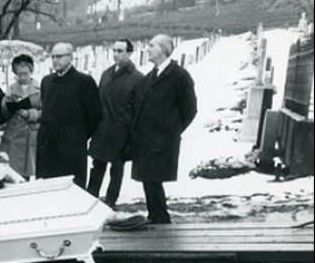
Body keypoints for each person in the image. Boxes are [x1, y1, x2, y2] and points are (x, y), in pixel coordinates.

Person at [130, 34, 197, 224]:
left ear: (164, 49)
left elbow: (190, 109)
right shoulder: (151, 76)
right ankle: (156, 217)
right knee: (149, 181)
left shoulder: (179, 75)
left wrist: (172, 130)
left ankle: (161, 220)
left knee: (153, 180)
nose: (147, 49)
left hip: (162, 138)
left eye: (152, 46)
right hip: (146, 138)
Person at [87, 40, 144, 209]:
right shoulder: (106, 74)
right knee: (97, 167)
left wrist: (131, 136)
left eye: (120, 51)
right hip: (102, 129)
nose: (116, 54)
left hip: (121, 133)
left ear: (129, 53)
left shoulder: (137, 78)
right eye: (114, 51)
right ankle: (90, 200)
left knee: (116, 169)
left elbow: (138, 110)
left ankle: (111, 203)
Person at [36, 43, 101, 188]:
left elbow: (94, 116)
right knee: (47, 189)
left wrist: (78, 135)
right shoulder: (46, 81)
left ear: (70, 57)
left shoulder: (84, 81)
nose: (55, 60)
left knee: (71, 189)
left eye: (59, 56)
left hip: (71, 148)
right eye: (52, 57)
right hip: (48, 147)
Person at [0, 54, 42, 180]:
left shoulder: (40, 89)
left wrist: (29, 114)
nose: (22, 77)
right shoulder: (11, 88)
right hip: (13, 134)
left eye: (25, 73)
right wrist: (6, 102)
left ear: (31, 71)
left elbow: (44, 112)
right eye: (19, 74)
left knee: (27, 172)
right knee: (12, 172)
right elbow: (5, 114)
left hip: (30, 133)